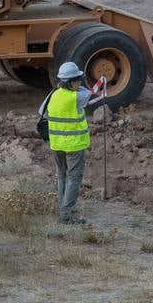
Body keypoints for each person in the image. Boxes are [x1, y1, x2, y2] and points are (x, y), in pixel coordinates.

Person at [43, 61, 106, 224]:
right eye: (78, 79)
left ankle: (63, 209)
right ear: (71, 82)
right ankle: (66, 215)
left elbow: (42, 113)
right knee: (74, 179)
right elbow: (90, 92)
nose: (80, 81)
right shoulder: (77, 96)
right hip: (73, 145)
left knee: (62, 177)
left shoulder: (54, 94)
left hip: (56, 144)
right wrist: (98, 81)